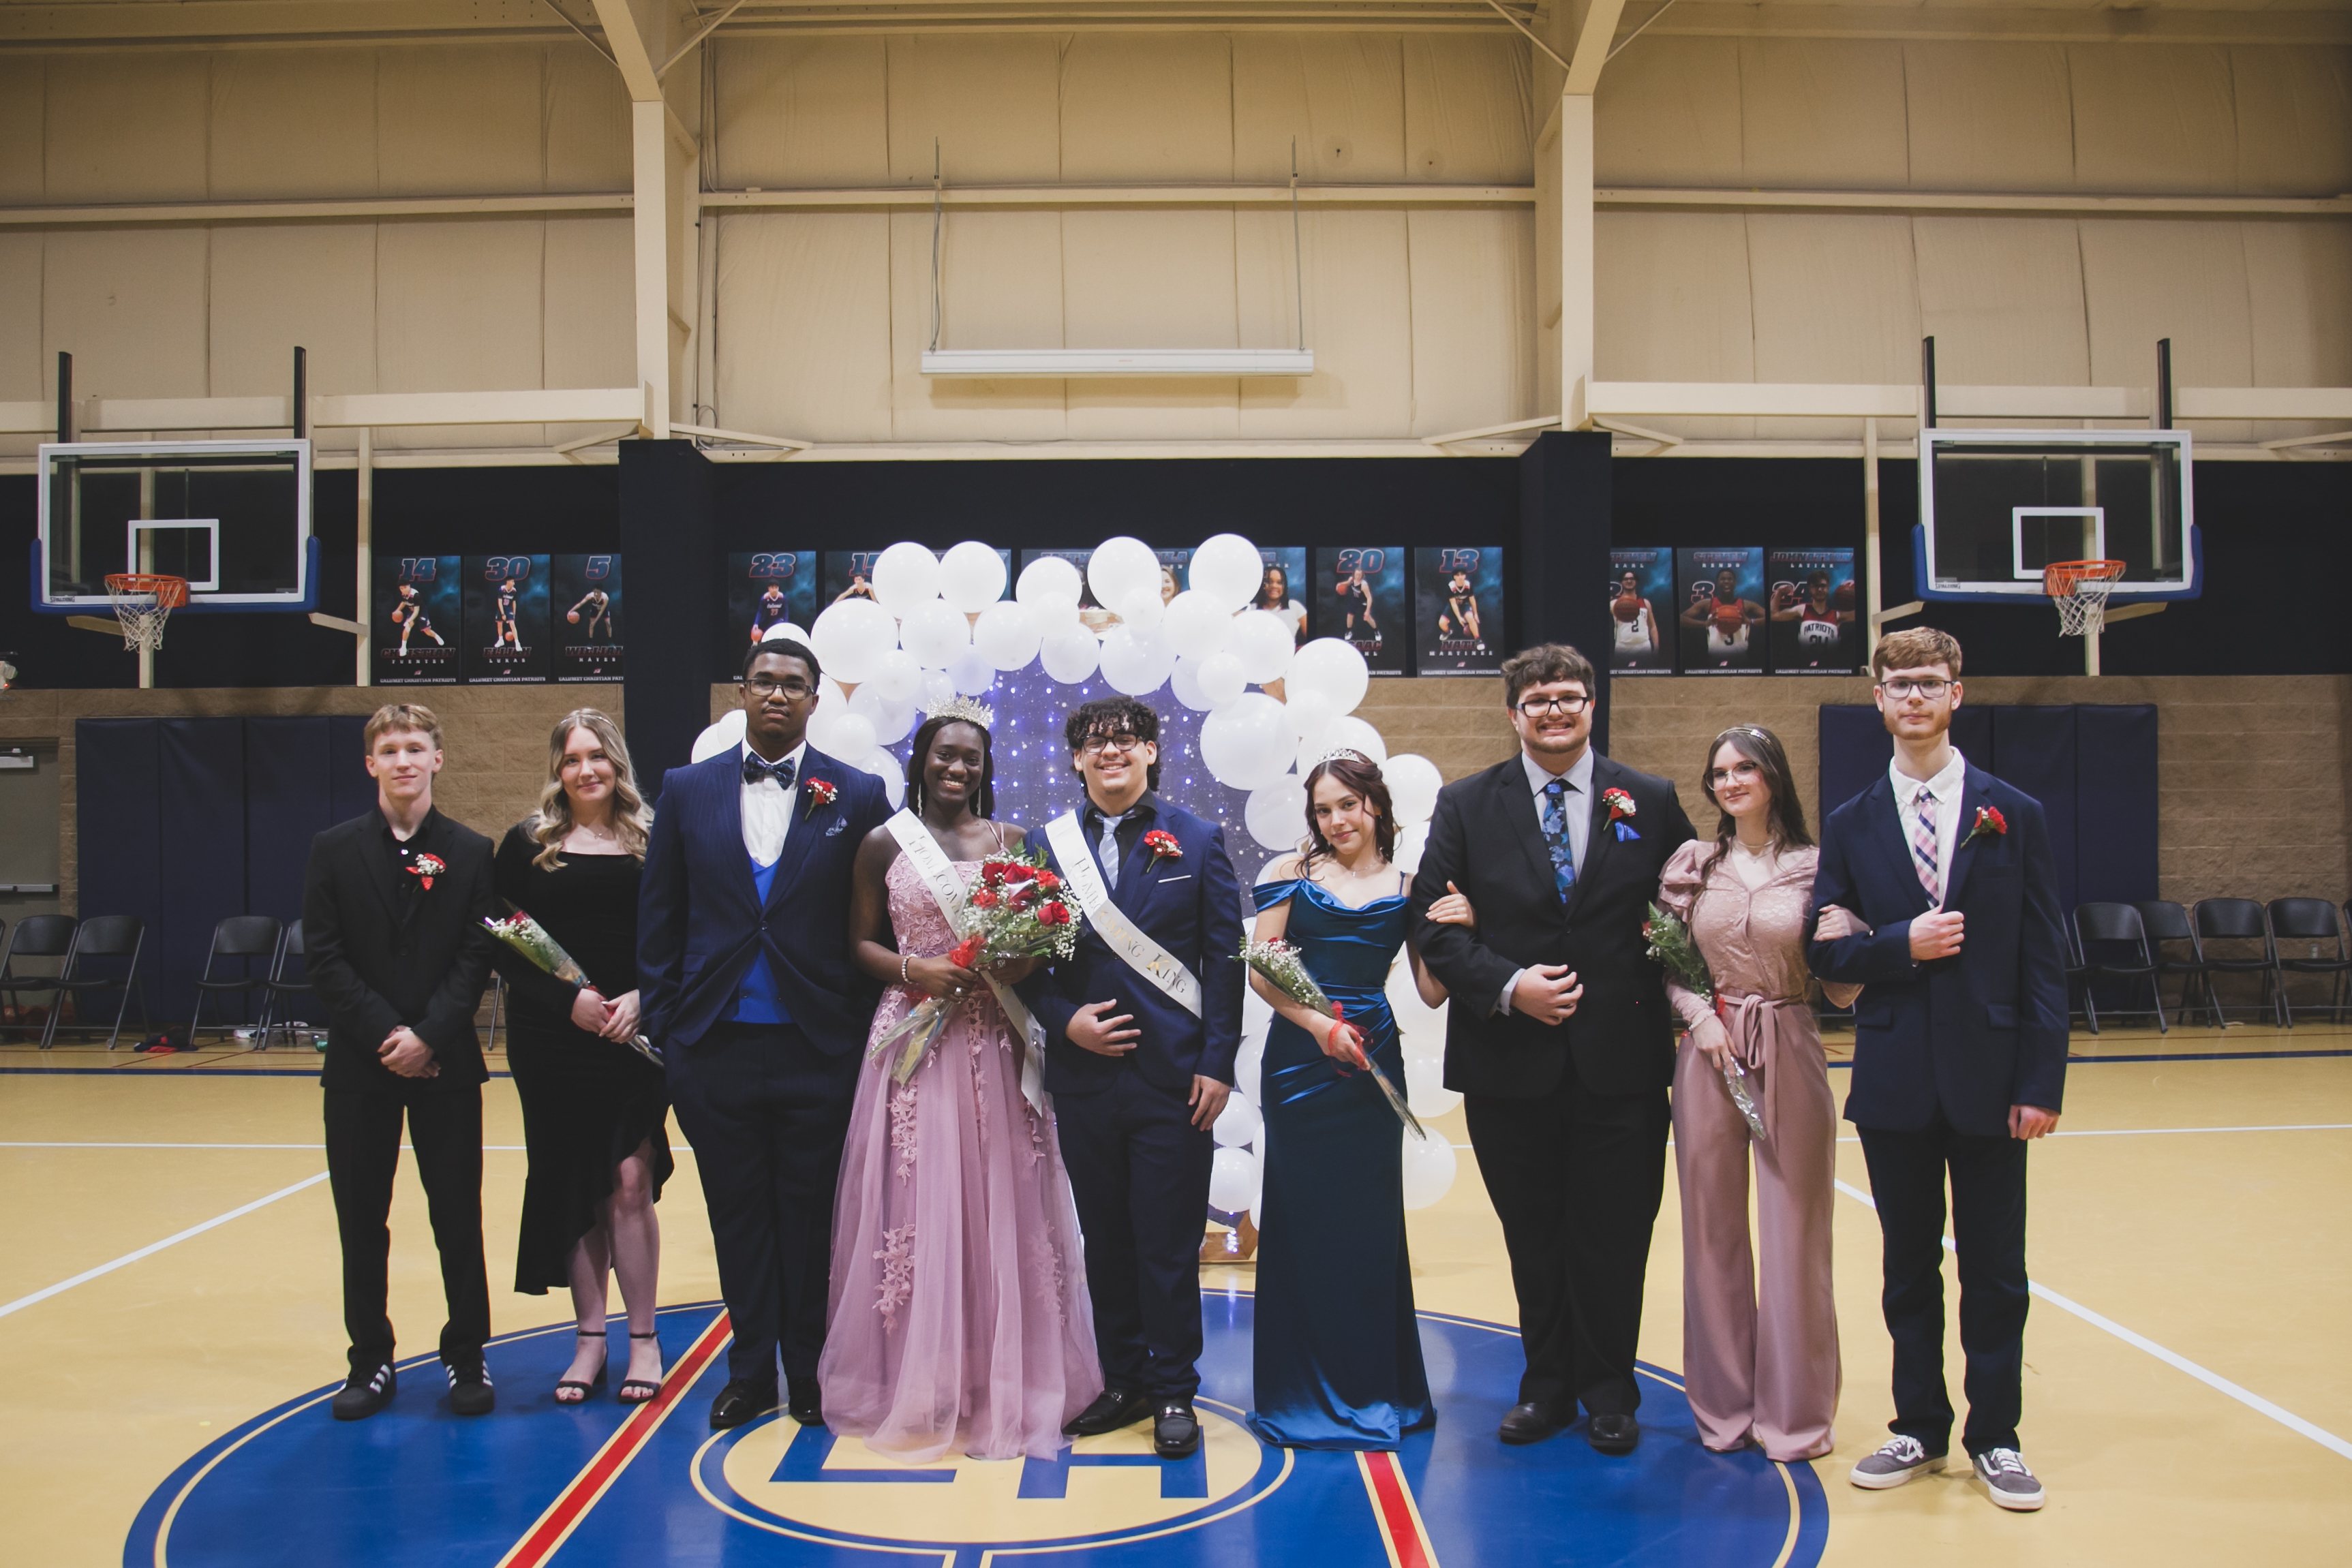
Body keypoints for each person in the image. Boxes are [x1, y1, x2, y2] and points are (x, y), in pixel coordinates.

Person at [1408, 643, 1695, 1454]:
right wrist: (1508, 985)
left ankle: (1610, 1391)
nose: (1555, 712)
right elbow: (1429, 920)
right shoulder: (1466, 806)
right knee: (1532, 1237)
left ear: (1591, 705)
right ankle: (1547, 1388)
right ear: (1513, 715)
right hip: (1508, 1064)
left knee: (1613, 1237)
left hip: (1621, 1065)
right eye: (1538, 702)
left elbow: (1684, 912)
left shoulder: (1648, 798)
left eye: (1568, 698)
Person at [1809, 626, 2067, 1512]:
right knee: (1905, 1267)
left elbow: (2041, 958)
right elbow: (1827, 952)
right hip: (1891, 1082)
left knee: (1995, 1267)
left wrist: (2039, 1082)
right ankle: (1916, 1421)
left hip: (1993, 1080)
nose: (1912, 697)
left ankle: (1994, 1435)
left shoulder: (2013, 813)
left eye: (1927, 682)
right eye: (1896, 684)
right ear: (1875, 700)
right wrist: (1896, 944)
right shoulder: (1846, 824)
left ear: (1955, 694)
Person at [821, 702, 1101, 1461]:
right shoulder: (883, 842)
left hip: (995, 1039)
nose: (956, 768)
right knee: (922, 1203)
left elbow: (1046, 939)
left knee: (1001, 1202)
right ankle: (923, 1377)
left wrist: (1018, 960)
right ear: (920, 758)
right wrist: (919, 970)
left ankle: (1002, 1374)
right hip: (915, 1037)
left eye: (971, 758)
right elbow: (860, 943)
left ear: (986, 767)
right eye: (944, 755)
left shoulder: (1013, 843)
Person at [639, 639, 894, 1432]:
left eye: (794, 685)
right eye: (764, 682)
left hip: (818, 1047)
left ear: (816, 699)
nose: (778, 695)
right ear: (741, 692)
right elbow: (660, 917)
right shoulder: (686, 790)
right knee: (737, 1217)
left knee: (812, 1220)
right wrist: (667, 1030)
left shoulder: (858, 793)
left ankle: (811, 1375)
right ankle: (748, 1372)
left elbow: (879, 917)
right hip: (713, 1049)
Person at [1018, 696, 1244, 1460]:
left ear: (1151, 751)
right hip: (1083, 1079)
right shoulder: (1046, 848)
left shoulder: (1198, 839)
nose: (1111, 750)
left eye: (1126, 739)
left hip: (1174, 1081)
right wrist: (1061, 1017)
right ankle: (1123, 1380)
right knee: (1106, 1239)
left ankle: (1174, 1387)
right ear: (1077, 760)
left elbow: (1224, 962)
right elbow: (1026, 964)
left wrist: (1218, 1062)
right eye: (1095, 741)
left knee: (1168, 1243)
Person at [1655, 725, 1862, 1461]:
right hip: (1708, 1054)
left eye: (1746, 767)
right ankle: (1722, 1407)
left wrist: (1852, 937)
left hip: (1790, 1043)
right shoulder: (1693, 864)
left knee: (1795, 1233)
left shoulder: (1818, 866)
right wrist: (1700, 1019)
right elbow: (1669, 962)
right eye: (1719, 772)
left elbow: (1842, 988)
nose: (1732, 780)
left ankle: (1795, 1415)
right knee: (1711, 1233)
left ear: (1773, 776)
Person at [1245, 752, 1463, 1449]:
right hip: (1301, 1063)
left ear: (1375, 805)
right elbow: (1262, 970)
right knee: (1300, 1221)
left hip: (1372, 1064)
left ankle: (1374, 1387)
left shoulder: (1408, 886)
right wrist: (1317, 1024)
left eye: (1348, 804)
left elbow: (1431, 989)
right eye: (1322, 810)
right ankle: (1295, 1392)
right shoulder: (1289, 877)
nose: (1335, 820)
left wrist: (1461, 925)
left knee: (1367, 1231)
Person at [301, 703, 497, 1421]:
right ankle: (370, 1358)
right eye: (390, 749)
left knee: (456, 1214)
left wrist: (430, 1037)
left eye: (416, 747)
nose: (404, 760)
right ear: (371, 764)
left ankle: (467, 1353)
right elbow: (324, 957)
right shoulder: (333, 849)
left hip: (446, 1065)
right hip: (360, 1066)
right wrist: (390, 1035)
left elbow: (478, 956)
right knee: (362, 1218)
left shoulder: (475, 852)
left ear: (438, 759)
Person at [491, 709, 672, 1407]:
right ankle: (590, 1340)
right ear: (557, 770)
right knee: (571, 1183)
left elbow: (681, 936)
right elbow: (502, 939)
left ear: (616, 764)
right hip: (553, 1042)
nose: (585, 769)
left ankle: (646, 1337)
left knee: (627, 1181)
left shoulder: (654, 841)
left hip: (631, 1040)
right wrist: (561, 1000)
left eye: (597, 755)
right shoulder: (527, 844)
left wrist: (644, 998)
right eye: (571, 759)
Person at [1610, 570, 1659, 666]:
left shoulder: (1645, 603)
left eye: (1632, 579)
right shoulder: (1614, 604)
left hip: (1643, 646)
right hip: (1622, 647)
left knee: (1645, 678)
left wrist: (1656, 647)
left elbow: (1653, 626)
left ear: (1636, 582)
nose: (1629, 581)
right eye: (1626, 579)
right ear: (1621, 582)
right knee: (1621, 680)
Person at [1251, 564, 1307, 646]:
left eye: (1279, 582)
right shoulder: (1252, 610)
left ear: (1284, 586)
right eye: (1269, 582)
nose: (1274, 586)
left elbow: (1314, 639)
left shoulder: (1294, 606)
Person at [1337, 568, 1380, 647]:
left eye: (1360, 575)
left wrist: (1367, 611)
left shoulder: (1364, 585)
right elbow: (1347, 583)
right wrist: (1340, 585)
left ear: (1362, 575)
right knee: (1350, 615)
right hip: (1355, 599)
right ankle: (1349, 631)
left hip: (1363, 601)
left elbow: (1369, 598)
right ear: (1354, 574)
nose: (1358, 576)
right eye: (1357, 574)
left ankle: (1376, 631)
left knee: (1368, 618)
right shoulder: (1352, 579)